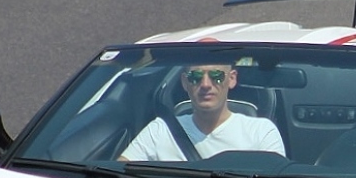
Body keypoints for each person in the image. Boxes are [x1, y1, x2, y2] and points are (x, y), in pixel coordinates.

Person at [120, 63, 286, 161]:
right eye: (196, 77)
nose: (206, 84)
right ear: (185, 82)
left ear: (232, 79)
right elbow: (118, 176)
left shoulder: (261, 132)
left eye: (216, 76)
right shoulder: (160, 130)